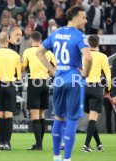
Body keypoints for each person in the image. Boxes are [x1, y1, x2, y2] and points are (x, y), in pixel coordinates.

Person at [36, 6, 93, 161]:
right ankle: (67, 158)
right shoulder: (79, 35)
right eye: (84, 17)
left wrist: (52, 70)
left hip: (59, 79)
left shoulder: (57, 33)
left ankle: (56, 157)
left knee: (59, 118)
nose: (85, 21)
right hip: (74, 79)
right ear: (75, 18)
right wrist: (85, 74)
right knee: (72, 119)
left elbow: (38, 52)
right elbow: (88, 58)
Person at [22, 31, 56, 150]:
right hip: (45, 83)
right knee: (41, 114)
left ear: (31, 40)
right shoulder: (49, 53)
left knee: (35, 115)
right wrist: (49, 72)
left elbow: (23, 67)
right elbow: (56, 68)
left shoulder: (28, 51)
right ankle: (39, 143)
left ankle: (39, 145)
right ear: (41, 40)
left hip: (34, 83)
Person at [0, 32, 21, 151]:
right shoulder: (15, 54)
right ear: (8, 41)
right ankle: (7, 143)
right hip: (10, 86)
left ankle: (0, 143)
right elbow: (18, 75)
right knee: (8, 115)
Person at [82, 35, 111, 152]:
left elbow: (80, 71)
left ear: (88, 43)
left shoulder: (84, 55)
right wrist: (108, 88)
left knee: (90, 119)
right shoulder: (103, 56)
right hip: (96, 87)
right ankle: (86, 145)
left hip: (84, 87)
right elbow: (108, 74)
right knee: (93, 119)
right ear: (98, 44)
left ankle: (99, 144)